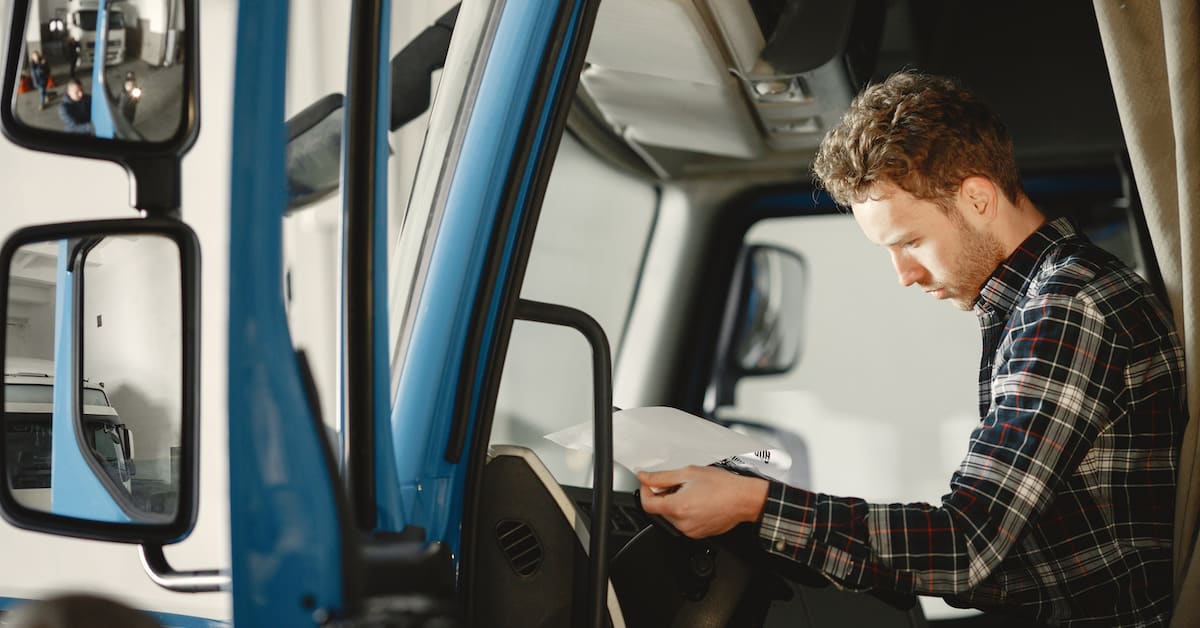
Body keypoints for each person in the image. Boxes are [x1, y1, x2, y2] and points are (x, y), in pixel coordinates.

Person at [639, 71, 1185, 627]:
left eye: (910, 242)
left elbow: (968, 546)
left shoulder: (1068, 307)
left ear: (977, 198)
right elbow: (1010, 555)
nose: (904, 275)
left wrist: (751, 504)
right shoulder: (1038, 303)